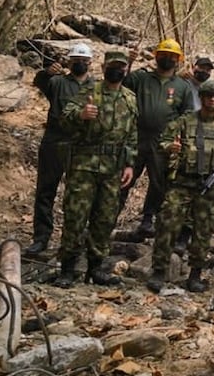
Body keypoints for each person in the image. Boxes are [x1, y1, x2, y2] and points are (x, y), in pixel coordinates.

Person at [147, 79, 214, 293]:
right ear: (201, 98)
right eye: (208, 96)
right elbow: (162, 141)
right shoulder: (184, 122)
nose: (212, 100)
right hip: (182, 183)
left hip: (208, 186)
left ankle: (195, 275)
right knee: (167, 225)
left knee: (203, 231)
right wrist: (170, 147)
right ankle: (158, 271)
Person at [54, 50, 137, 287]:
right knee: (76, 217)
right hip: (84, 166)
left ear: (125, 70)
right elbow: (65, 117)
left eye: (121, 67)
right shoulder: (89, 92)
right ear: (103, 68)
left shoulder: (130, 98)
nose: (117, 70)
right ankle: (67, 269)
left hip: (113, 169)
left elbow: (132, 134)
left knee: (105, 218)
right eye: (112, 66)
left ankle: (96, 268)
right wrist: (81, 114)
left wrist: (130, 163)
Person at [121, 39, 197, 238]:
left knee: (159, 183)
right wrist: (128, 62)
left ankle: (148, 220)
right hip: (135, 138)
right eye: (164, 54)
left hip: (163, 142)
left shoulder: (183, 86)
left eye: (172, 56)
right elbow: (121, 88)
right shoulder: (141, 78)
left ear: (178, 60)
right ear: (156, 56)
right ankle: (108, 218)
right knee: (123, 178)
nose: (168, 58)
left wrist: (178, 138)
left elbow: (188, 114)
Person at [28, 43, 96, 257]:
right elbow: (40, 82)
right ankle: (41, 237)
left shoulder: (96, 87)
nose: (80, 64)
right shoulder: (57, 82)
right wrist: (46, 72)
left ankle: (72, 239)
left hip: (82, 147)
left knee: (78, 195)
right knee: (46, 191)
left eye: (84, 60)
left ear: (90, 63)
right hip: (54, 142)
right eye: (76, 60)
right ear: (69, 62)